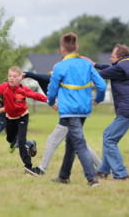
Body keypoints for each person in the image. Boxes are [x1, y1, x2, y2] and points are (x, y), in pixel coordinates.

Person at [47, 32, 106, 187]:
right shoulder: (86, 64)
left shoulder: (59, 66)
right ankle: (64, 176)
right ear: (77, 47)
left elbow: (52, 89)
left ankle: (92, 178)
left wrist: (51, 101)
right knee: (71, 141)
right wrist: (98, 99)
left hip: (69, 110)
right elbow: (102, 85)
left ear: (62, 49)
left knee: (78, 142)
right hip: (84, 109)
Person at [83, 44, 129, 180]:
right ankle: (103, 170)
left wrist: (86, 67)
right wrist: (94, 64)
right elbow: (111, 69)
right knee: (109, 136)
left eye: (112, 55)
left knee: (109, 138)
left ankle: (121, 173)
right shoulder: (128, 64)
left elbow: (100, 76)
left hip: (128, 110)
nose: (110, 56)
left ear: (120, 56)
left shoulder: (122, 68)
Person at [23, 71, 102, 173]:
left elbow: (45, 77)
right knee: (81, 145)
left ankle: (41, 169)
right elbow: (43, 79)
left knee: (52, 140)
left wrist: (28, 74)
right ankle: (102, 168)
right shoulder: (65, 81)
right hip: (74, 114)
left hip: (69, 116)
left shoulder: (61, 80)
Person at [0, 70, 37, 171]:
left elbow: (8, 108)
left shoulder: (3, 91)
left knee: (17, 144)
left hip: (11, 120)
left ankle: (31, 144)